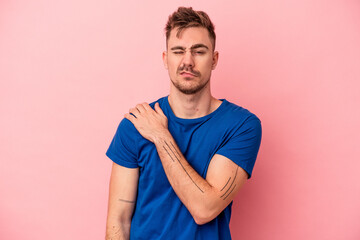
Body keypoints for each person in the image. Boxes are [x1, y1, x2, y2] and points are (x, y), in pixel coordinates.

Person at [105, 6, 262, 240]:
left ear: (214, 59)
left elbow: (204, 209)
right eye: (178, 51)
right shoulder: (136, 125)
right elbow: (118, 221)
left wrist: (160, 136)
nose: (187, 61)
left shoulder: (241, 126)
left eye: (199, 51)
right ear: (165, 59)